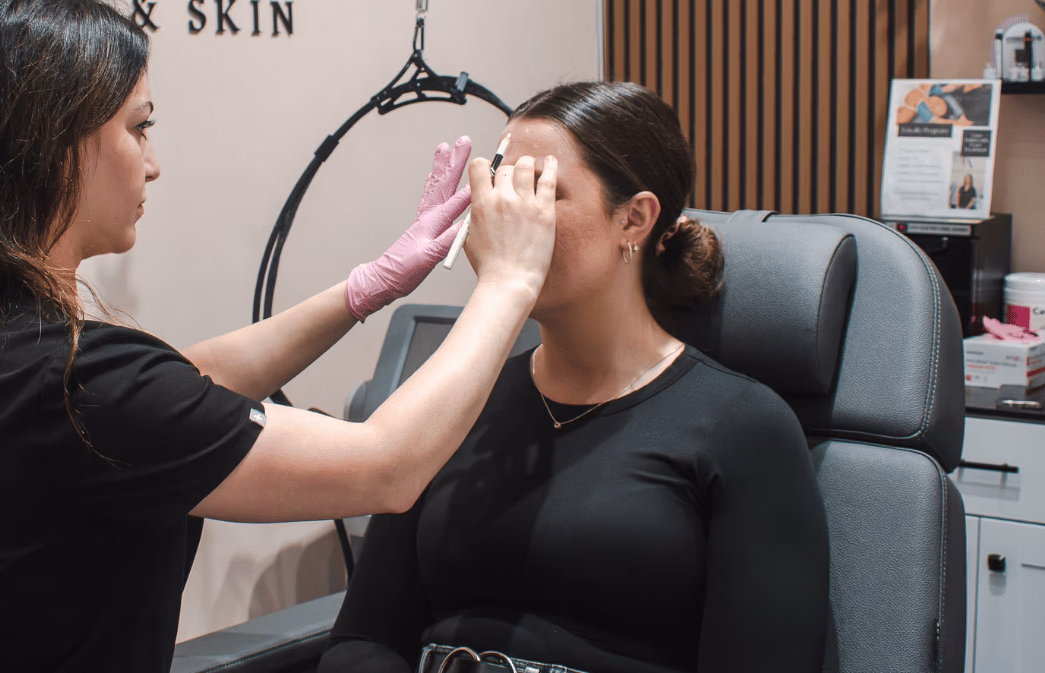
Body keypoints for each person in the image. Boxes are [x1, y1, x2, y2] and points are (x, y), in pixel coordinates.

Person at [0, 0, 559, 671]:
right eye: (138, 128)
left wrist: (365, 288)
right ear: (52, 146)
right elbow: (387, 467)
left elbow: (183, 382)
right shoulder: (74, 385)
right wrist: (509, 281)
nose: (152, 164)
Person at [320, 82, 829, 673]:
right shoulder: (455, 401)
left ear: (634, 219)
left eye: (538, 191)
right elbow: (363, 639)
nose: (503, 216)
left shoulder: (742, 426)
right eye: (500, 187)